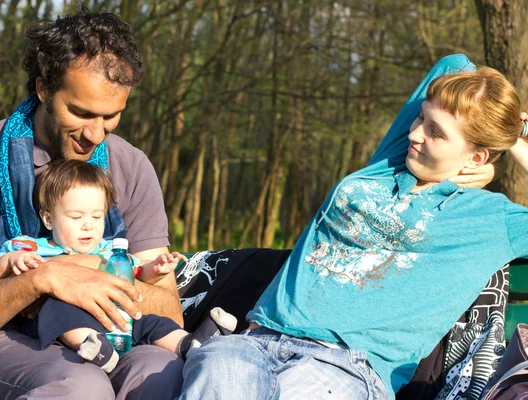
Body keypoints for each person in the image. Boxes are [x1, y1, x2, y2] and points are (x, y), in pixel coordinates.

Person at [176, 54, 528, 400]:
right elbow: (453, 62)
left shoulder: (491, 219)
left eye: (436, 132)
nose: (416, 134)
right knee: (214, 361)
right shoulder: (387, 165)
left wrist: (514, 141)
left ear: (477, 156)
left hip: (345, 369)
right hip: (255, 342)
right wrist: (494, 124)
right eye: (421, 117)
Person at [0, 8, 186, 399]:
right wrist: (42, 280)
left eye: (111, 116)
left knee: (165, 371)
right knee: (80, 386)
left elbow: (168, 310)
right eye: (81, 112)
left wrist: (87, 269)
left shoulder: (133, 167)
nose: (95, 134)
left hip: (113, 335)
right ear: (44, 89)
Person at [0, 160, 237, 373]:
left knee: (148, 320)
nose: (88, 225)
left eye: (97, 217)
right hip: (61, 321)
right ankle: (93, 347)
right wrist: (11, 262)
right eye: (76, 217)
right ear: (48, 218)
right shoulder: (30, 248)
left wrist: (156, 268)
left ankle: (189, 344)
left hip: (112, 319)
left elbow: (136, 273)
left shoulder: (108, 252)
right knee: (57, 308)